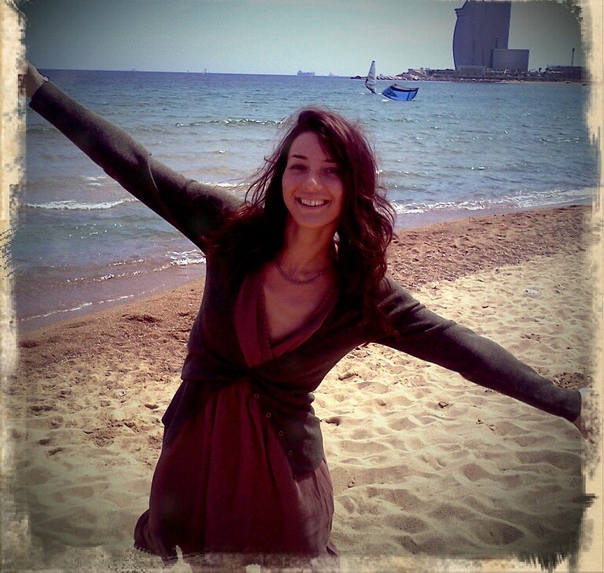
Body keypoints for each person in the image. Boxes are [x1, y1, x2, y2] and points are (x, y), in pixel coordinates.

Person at [22, 62, 588, 569]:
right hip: (196, 446)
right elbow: (134, 165)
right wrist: (36, 88)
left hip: (284, 468)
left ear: (353, 185)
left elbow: (460, 348)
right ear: (281, 175)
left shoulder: (362, 295)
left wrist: (571, 405)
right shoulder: (229, 232)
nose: (312, 183)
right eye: (299, 166)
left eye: (331, 171)